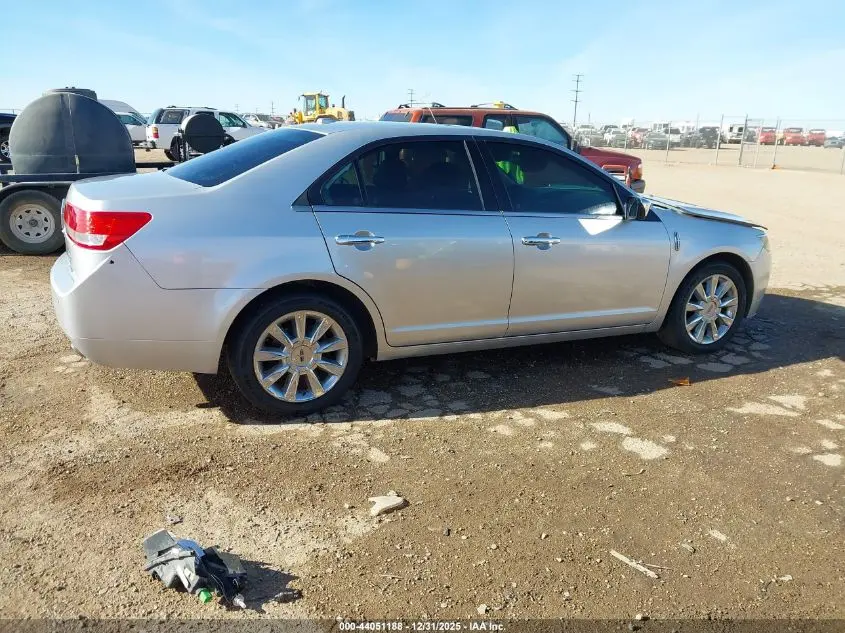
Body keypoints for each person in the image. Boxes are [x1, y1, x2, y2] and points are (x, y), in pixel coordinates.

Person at [496, 116, 525, 184]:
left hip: (502, 175)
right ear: (516, 124)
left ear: (505, 123)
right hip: (517, 179)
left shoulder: (499, 136)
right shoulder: (521, 137)